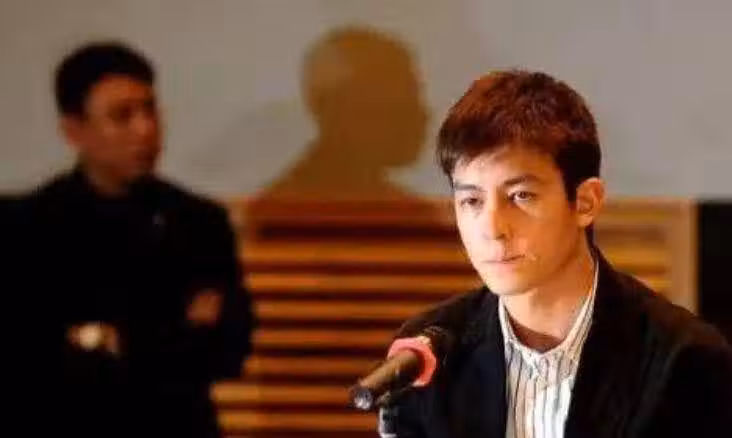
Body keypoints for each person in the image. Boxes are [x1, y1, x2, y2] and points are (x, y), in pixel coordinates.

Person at [379, 70, 732, 437]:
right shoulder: (427, 354)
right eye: (471, 200)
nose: (492, 228)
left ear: (585, 202)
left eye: (520, 196)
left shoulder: (683, 361)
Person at [15, 41, 254, 437]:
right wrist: (171, 329)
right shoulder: (27, 225)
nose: (145, 129)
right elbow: (26, 356)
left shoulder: (198, 223)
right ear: (74, 131)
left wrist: (108, 337)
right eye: (122, 116)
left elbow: (228, 352)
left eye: (150, 110)